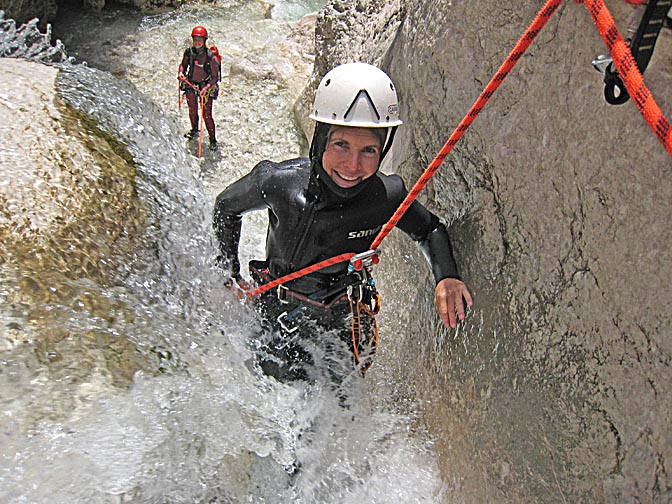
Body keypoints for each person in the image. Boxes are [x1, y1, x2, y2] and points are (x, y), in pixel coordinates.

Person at [213, 62, 473, 384]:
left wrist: (445, 276)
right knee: (270, 387)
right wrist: (228, 274)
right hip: (277, 310)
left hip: (341, 315)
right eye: (341, 145)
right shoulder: (280, 185)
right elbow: (226, 207)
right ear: (321, 139)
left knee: (339, 396)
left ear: (384, 150)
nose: (352, 165)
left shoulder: (386, 196)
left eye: (368, 150)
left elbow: (429, 229)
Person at [178, 25, 220, 150]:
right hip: (191, 84)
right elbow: (183, 65)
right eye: (195, 39)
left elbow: (214, 78)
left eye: (199, 40)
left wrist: (206, 88)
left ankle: (213, 140)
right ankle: (195, 130)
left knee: (207, 115)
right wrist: (181, 72)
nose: (197, 42)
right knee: (192, 110)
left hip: (205, 87)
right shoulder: (189, 53)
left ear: (204, 41)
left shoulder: (210, 57)